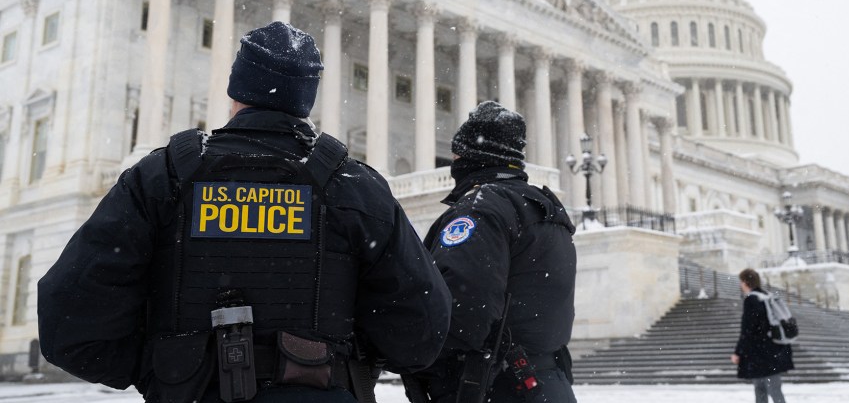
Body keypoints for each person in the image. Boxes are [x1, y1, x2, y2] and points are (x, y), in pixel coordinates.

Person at [37, 21, 452, 403]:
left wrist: (166, 367)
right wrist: (342, 361)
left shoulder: (161, 177)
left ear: (235, 95)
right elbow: (422, 329)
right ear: (304, 102)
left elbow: (70, 322)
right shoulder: (355, 186)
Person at [406, 101, 577, 403]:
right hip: (547, 382)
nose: (453, 160)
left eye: (457, 152)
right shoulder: (546, 211)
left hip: (492, 385)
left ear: (474, 156)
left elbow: (463, 308)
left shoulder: (481, 208)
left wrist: (415, 356)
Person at [730, 268, 794, 403]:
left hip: (761, 353)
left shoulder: (752, 300)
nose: (740, 285)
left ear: (746, 282)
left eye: (741, 281)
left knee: (765, 390)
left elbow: (747, 329)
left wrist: (738, 352)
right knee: (767, 388)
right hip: (773, 349)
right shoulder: (766, 296)